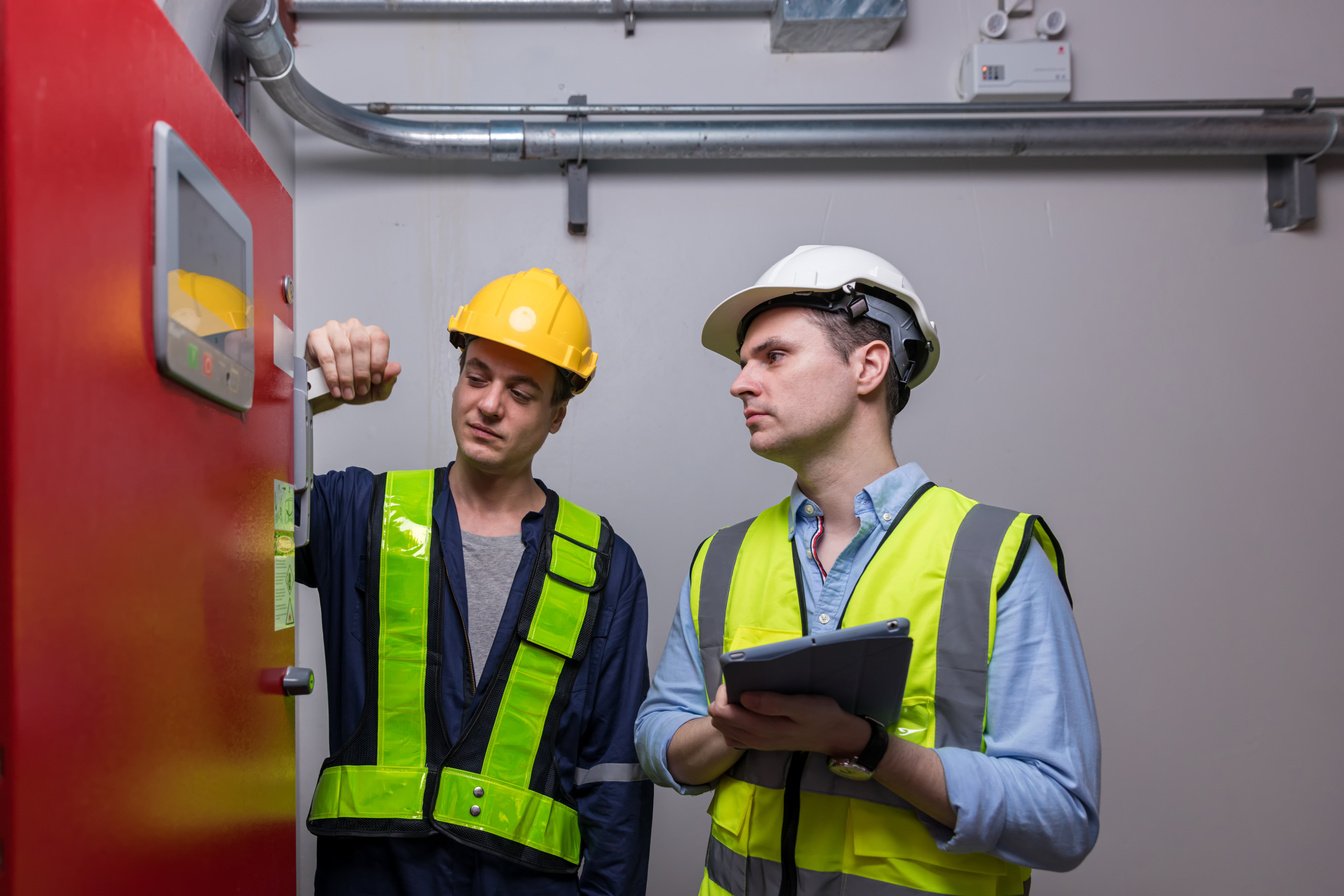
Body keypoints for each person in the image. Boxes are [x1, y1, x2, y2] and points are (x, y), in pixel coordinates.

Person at [635, 245, 1100, 896]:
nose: (740, 382)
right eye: (744, 363)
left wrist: (869, 747)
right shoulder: (723, 558)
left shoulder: (994, 557)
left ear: (869, 365)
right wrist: (727, 733)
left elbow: (1061, 817)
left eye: (773, 356)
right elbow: (657, 734)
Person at [298, 267, 654, 895]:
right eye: (477, 376)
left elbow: (613, 779)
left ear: (557, 415)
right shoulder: (357, 513)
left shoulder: (603, 563)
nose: (489, 404)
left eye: (521, 391)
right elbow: (215, 517)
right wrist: (299, 396)